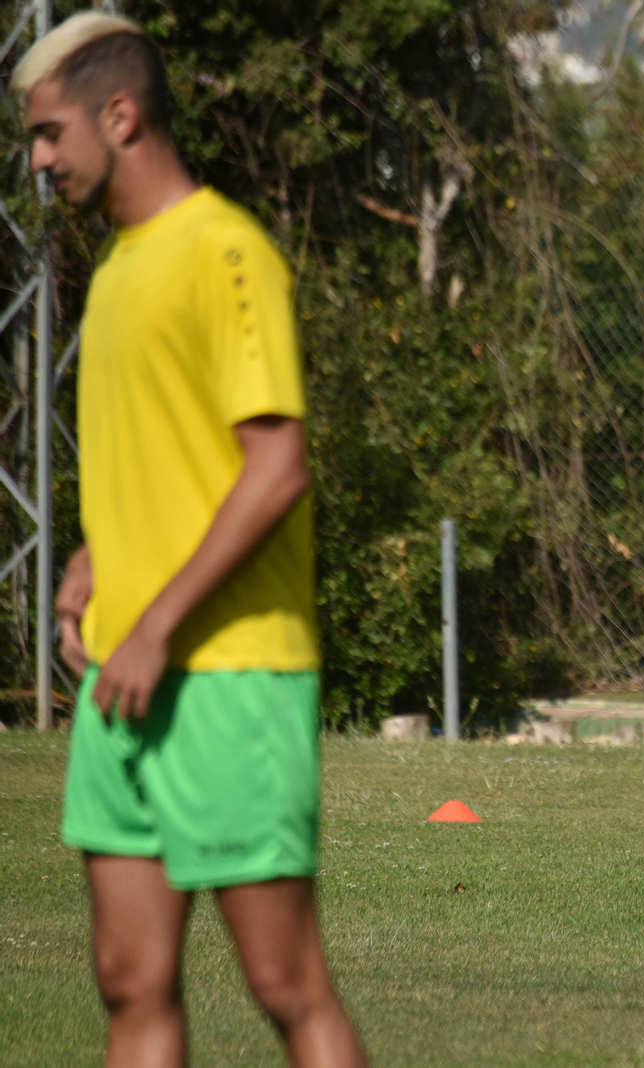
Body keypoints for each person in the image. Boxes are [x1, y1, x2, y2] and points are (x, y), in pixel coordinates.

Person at [15, 13, 366, 1067]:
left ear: (118, 116)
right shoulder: (117, 270)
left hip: (231, 674)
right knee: (129, 983)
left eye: (46, 134)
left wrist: (158, 621)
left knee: (282, 982)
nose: (36, 160)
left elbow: (275, 468)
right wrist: (92, 565)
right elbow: (166, 466)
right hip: (125, 673)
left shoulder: (228, 251)